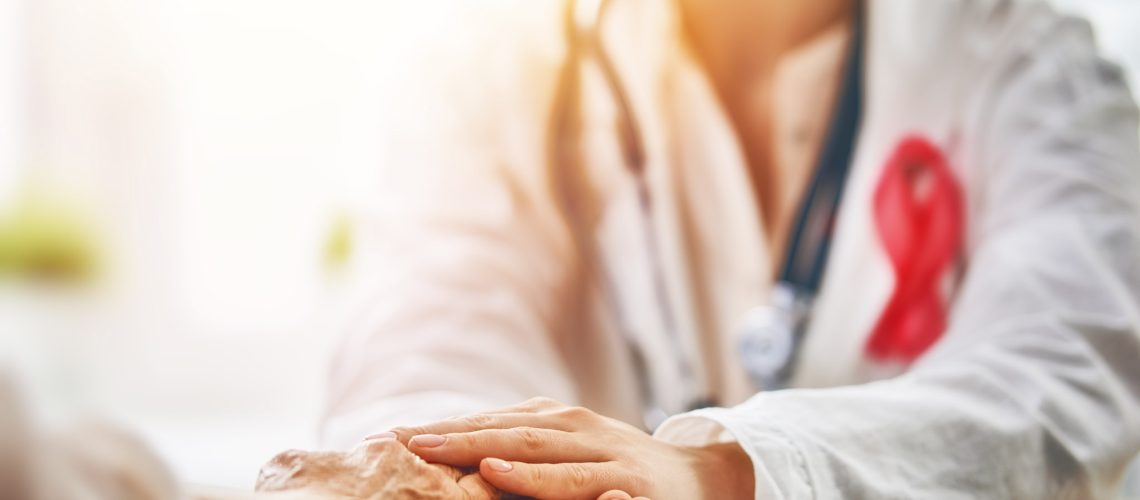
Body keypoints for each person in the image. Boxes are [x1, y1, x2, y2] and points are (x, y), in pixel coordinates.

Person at [307, 0, 1140, 497]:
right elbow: (426, 346)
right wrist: (462, 478)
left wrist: (732, 472)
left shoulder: (1027, 67)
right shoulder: (489, 70)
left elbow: (1064, 377)